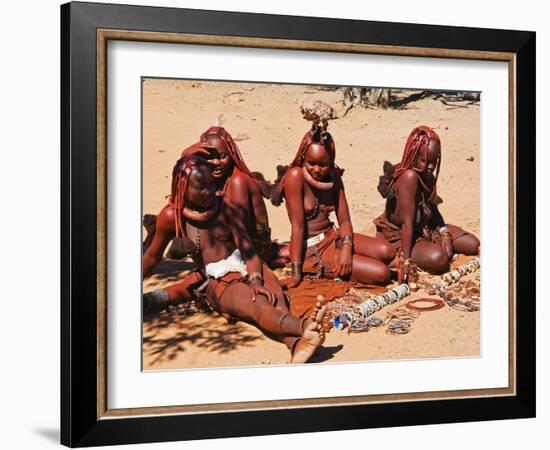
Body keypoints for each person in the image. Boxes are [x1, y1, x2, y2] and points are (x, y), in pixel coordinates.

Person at [143, 156, 326, 364]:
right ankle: (304, 326)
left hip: (250, 266)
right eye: (201, 187)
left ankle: (296, 344)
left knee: (277, 300)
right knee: (259, 306)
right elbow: (152, 256)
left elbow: (248, 250)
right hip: (219, 281)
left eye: (212, 185)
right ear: (183, 188)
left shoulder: (226, 206)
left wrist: (256, 279)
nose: (209, 191)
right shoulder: (171, 216)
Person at [271, 125, 395, 288]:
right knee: (381, 273)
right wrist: (296, 274)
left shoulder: (333, 177)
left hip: (333, 236)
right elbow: (298, 227)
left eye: (323, 164)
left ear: (331, 161)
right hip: (313, 249)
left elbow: (344, 221)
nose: (316, 170)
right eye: (311, 163)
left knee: (388, 251)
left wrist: (346, 248)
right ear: (302, 158)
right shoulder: (295, 177)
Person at [374, 125, 480, 275]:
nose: (430, 167)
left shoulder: (426, 175)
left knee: (473, 244)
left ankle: (432, 245)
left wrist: (444, 233)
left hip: (425, 227)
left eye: (434, 161)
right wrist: (406, 262)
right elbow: (407, 224)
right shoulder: (408, 177)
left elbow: (432, 208)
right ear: (413, 156)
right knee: (439, 259)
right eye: (425, 161)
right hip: (400, 236)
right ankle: (422, 252)